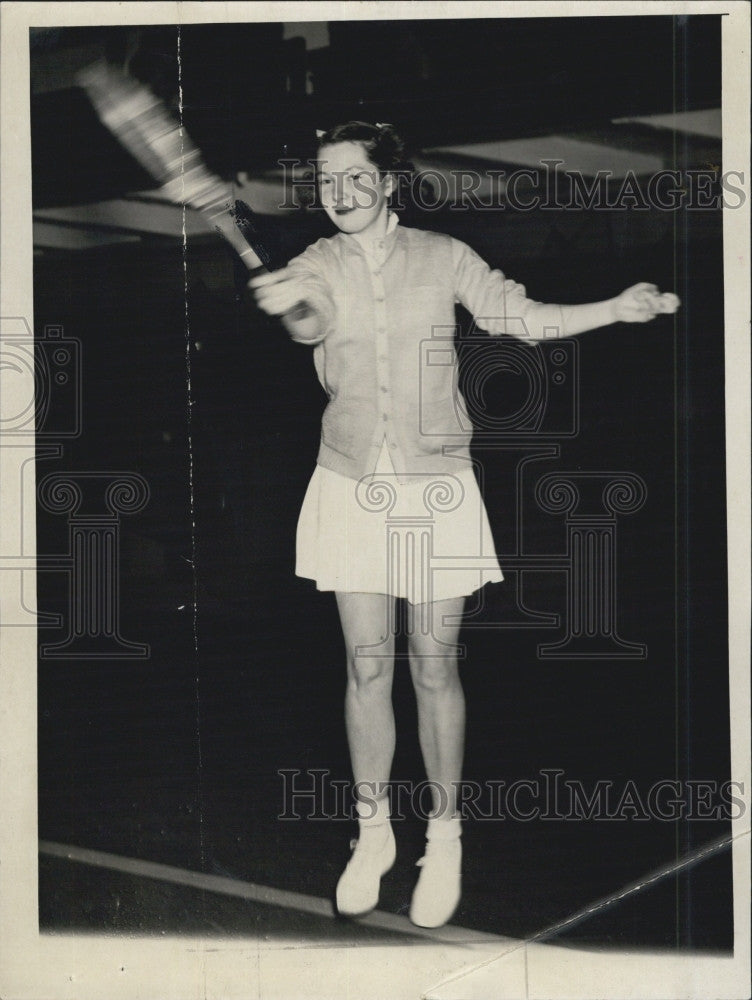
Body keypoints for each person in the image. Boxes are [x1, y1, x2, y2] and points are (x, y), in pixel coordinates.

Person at [250, 121, 679, 929]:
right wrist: (290, 306)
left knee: (434, 668)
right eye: (326, 181)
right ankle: (373, 833)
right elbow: (311, 325)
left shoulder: (443, 254)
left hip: (435, 484)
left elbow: (520, 318)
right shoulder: (317, 262)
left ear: (389, 182)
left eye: (354, 177)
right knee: (367, 668)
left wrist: (615, 309)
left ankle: (443, 838)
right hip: (350, 482)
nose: (339, 194)